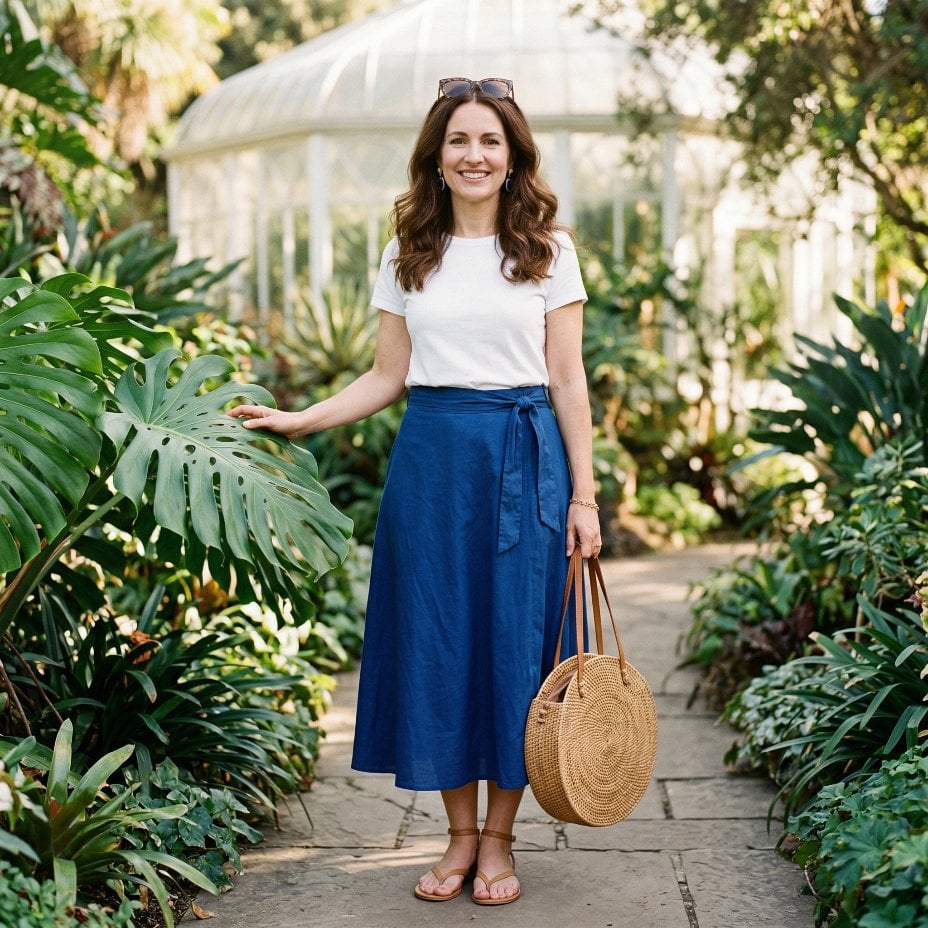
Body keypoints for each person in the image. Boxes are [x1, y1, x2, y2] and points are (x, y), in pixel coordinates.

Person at [228, 76, 602, 906]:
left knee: (517, 651)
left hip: (525, 459)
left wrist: (585, 497)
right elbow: (386, 377)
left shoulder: (548, 248)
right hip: (432, 471)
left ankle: (501, 843)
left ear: (513, 159)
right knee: (440, 648)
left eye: (490, 142)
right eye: (459, 141)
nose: (474, 155)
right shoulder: (408, 254)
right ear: (437, 157)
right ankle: (459, 837)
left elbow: (568, 379)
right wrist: (301, 419)